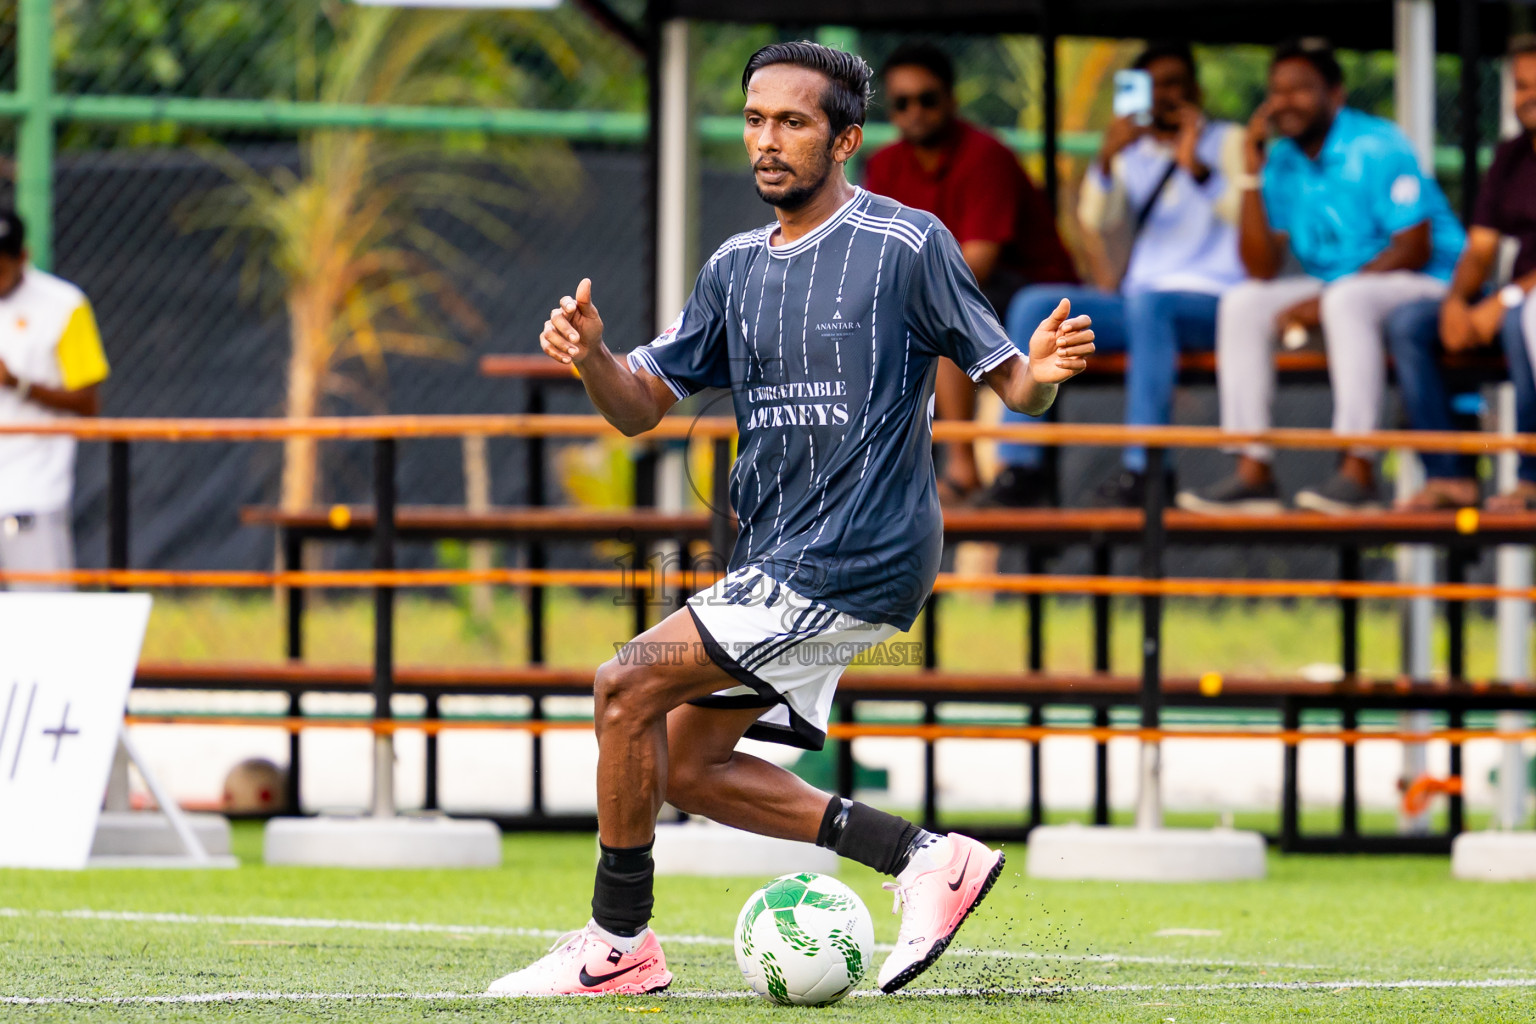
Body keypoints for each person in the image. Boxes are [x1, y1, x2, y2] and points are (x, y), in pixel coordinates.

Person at [488, 41, 1094, 998]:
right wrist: (594, 358)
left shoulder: (907, 244)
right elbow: (641, 408)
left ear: (845, 140)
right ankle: (925, 859)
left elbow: (1013, 382)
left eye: (793, 122)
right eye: (755, 119)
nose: (766, 141)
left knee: (624, 686)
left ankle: (619, 943)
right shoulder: (734, 266)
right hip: (778, 558)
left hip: (856, 551)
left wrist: (1043, 378)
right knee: (689, 764)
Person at [1176, 37, 1466, 515]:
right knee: (1242, 303)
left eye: (1300, 89)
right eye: (1277, 91)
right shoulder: (1283, 160)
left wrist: (1327, 297)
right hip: (1345, 288)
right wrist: (1250, 174)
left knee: (1345, 300)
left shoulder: (1378, 143)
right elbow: (1260, 268)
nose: (1285, 102)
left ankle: (1359, 471)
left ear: (1336, 94)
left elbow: (1413, 248)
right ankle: (1253, 470)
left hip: (1429, 284)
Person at [999, 40, 1247, 507]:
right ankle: (1019, 465)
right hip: (1140, 304)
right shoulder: (1134, 150)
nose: (1165, 95)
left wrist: (1197, 169)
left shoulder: (1229, 140)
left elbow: (1249, 218)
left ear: (1195, 89)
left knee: (1151, 306)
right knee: (1034, 304)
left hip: (1214, 301)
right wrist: (1107, 158)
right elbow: (1096, 220)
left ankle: (1146, 470)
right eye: (1153, 87)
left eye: (1174, 83)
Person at [865, 41, 1078, 506]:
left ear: (951, 99)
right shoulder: (884, 164)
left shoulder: (986, 155)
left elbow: (974, 264)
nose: (914, 111)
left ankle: (962, 468)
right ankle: (879, 477)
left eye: (927, 99)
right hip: (947, 292)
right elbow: (873, 261)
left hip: (1031, 295)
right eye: (902, 102)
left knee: (938, 315)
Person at [1383, 35, 1536, 511]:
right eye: (1521, 85)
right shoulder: (1512, 156)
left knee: (1523, 319)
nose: (1528, 96)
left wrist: (1504, 300)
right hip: (1512, 296)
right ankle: (1448, 475)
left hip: (1524, 306)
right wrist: (1456, 301)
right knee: (1409, 323)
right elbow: (1481, 247)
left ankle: (1530, 478)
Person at [0, 209, 110, 591]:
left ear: (23, 257)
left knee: (44, 616)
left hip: (30, 490)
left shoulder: (63, 305)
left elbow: (89, 403)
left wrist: (17, 383)